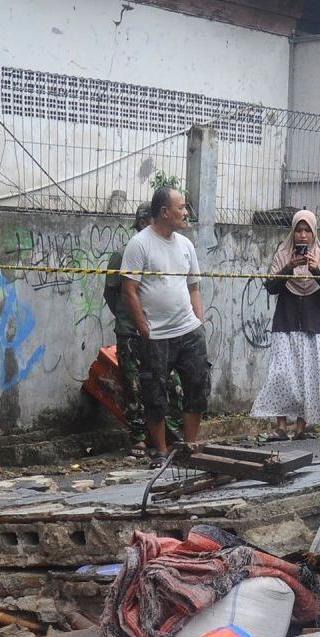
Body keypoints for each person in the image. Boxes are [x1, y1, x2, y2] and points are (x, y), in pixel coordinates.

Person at [120, 185, 211, 461]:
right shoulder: (140, 244)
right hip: (157, 335)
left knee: (198, 385)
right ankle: (160, 450)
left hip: (189, 330)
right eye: (180, 207)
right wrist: (144, 328)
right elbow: (129, 289)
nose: (185, 212)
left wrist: (198, 320)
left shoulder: (186, 245)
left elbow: (193, 285)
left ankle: (190, 446)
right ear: (164, 212)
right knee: (155, 394)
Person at [251, 209, 320, 439]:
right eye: (298, 230)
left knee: (308, 373)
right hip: (286, 321)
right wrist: (289, 268)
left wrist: (315, 270)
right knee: (282, 374)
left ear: (314, 233)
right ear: (292, 232)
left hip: (313, 324)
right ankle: (281, 426)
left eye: (307, 231)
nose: (302, 236)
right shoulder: (283, 253)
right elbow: (271, 287)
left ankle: (301, 427)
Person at [104, 203, 153, 448]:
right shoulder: (121, 255)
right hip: (129, 331)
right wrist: (127, 318)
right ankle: (139, 439)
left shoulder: (159, 252)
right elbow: (111, 293)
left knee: (159, 381)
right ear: (145, 223)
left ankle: (161, 435)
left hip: (157, 328)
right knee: (133, 385)